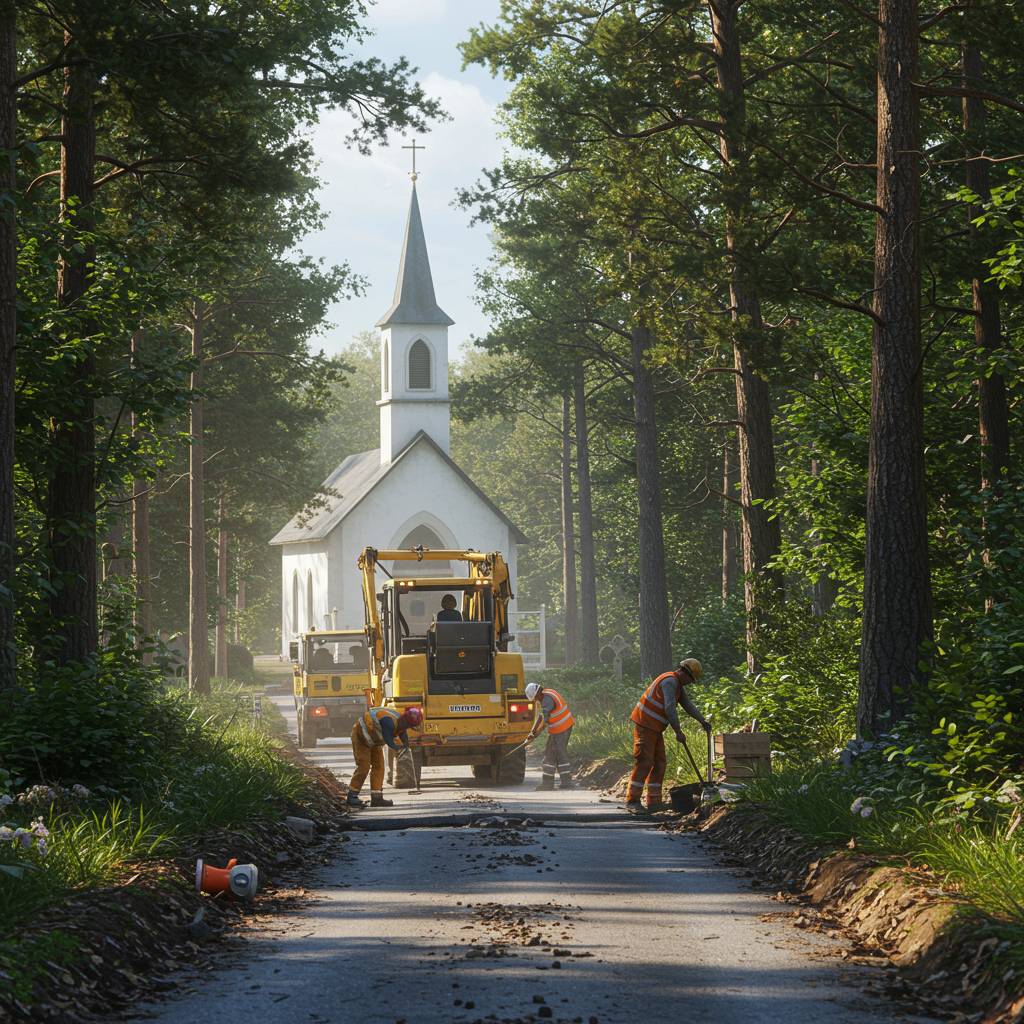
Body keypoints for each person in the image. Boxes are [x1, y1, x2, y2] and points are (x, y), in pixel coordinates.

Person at [627, 658, 709, 812]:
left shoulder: (678, 685)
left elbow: (687, 705)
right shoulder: (670, 682)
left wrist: (702, 721)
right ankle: (633, 801)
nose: (690, 683)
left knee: (659, 763)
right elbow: (670, 708)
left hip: (656, 728)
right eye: (691, 680)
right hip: (645, 725)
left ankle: (654, 802)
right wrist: (678, 731)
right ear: (685, 673)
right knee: (645, 761)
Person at [347, 705, 423, 808]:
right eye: (410, 726)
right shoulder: (389, 722)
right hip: (361, 736)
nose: (409, 728)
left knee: (379, 767)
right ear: (407, 722)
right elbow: (388, 740)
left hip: (374, 740)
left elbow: (403, 734)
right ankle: (352, 796)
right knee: (363, 766)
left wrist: (406, 746)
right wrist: (398, 748)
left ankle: (376, 798)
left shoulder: (401, 722)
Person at [524, 682, 576, 790]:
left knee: (557, 754)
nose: (535, 700)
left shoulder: (547, 700)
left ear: (537, 693)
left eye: (535, 698)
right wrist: (532, 732)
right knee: (551, 753)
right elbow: (540, 717)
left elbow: (545, 721)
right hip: (560, 728)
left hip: (562, 728)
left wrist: (536, 735)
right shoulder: (546, 694)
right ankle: (552, 783)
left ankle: (563, 782)